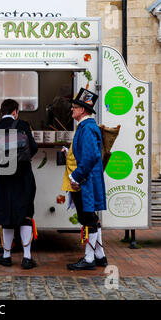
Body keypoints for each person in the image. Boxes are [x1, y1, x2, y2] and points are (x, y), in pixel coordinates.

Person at [0, 99, 38, 269]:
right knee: (25, 215)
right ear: (15, 111)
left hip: (2, 178)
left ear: (1, 112)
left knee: (5, 216)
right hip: (23, 176)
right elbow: (33, 148)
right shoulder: (23, 126)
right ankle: (27, 258)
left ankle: (6, 256)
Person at [64, 88, 107, 270]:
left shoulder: (87, 128)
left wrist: (75, 175)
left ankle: (89, 259)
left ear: (82, 110)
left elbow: (90, 157)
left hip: (85, 182)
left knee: (88, 219)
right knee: (91, 218)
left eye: (74, 107)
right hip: (86, 181)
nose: (72, 110)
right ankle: (100, 256)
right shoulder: (86, 127)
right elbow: (84, 153)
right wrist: (69, 153)